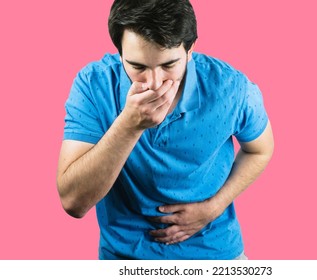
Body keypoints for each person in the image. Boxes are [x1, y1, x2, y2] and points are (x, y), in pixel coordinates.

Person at [57, 0, 274, 260]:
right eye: (137, 67)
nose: (154, 82)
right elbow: (73, 203)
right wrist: (129, 124)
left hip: (216, 252)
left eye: (169, 65)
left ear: (190, 49)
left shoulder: (232, 88)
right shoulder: (93, 85)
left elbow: (260, 149)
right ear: (119, 51)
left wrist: (213, 208)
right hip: (124, 258)